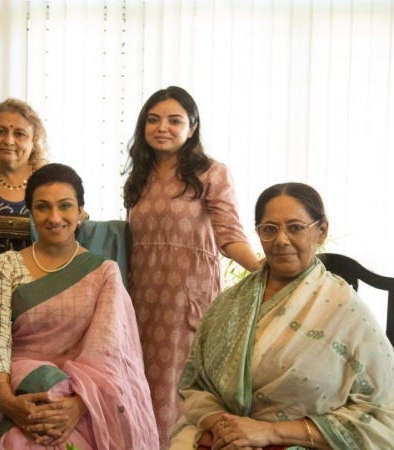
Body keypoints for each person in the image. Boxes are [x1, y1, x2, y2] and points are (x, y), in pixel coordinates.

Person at [169, 182, 394, 450]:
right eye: (269, 229)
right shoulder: (228, 304)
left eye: (296, 227)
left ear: (322, 231)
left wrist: (270, 433)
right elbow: (195, 384)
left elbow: (382, 414)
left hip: (302, 441)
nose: (281, 240)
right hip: (223, 438)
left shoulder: (346, 311)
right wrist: (227, 430)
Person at [0, 163, 158, 449]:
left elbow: (110, 351)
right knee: (20, 440)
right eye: (43, 207)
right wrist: (8, 402)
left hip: (83, 394)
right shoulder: (8, 264)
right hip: (13, 387)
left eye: (65, 206)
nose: (54, 217)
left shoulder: (104, 272)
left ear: (80, 211)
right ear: (30, 211)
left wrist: (78, 406)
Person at [122, 86, 262, 445]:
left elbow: (229, 235)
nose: (162, 127)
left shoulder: (212, 173)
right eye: (153, 120)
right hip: (141, 299)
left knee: (178, 387)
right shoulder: (139, 177)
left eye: (174, 120)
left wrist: (265, 270)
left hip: (188, 298)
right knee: (139, 379)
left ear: (192, 126)